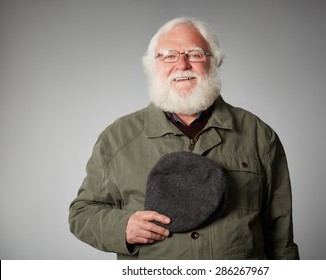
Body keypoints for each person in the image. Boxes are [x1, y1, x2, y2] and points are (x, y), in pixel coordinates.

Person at [68, 17, 299, 260]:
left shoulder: (258, 135)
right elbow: (81, 213)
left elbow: (280, 234)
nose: (182, 64)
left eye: (196, 54)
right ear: (153, 66)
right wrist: (122, 226)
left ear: (214, 62)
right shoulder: (118, 138)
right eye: (168, 55)